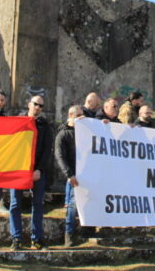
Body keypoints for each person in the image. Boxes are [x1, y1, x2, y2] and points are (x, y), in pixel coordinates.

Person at [9, 95, 53, 250]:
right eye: (36, 104)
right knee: (15, 204)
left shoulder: (45, 125)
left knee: (38, 205)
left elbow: (47, 149)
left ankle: (37, 239)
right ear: (29, 105)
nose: (38, 108)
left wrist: (39, 169)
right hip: (19, 169)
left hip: (37, 171)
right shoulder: (18, 121)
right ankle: (16, 238)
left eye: (41, 106)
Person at [54, 105, 84, 246]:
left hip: (86, 173)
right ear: (71, 116)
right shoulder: (63, 134)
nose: (81, 118)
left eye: (82, 115)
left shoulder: (85, 132)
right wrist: (69, 174)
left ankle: (87, 231)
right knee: (72, 205)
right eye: (78, 115)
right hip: (73, 175)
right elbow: (60, 156)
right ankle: (69, 235)